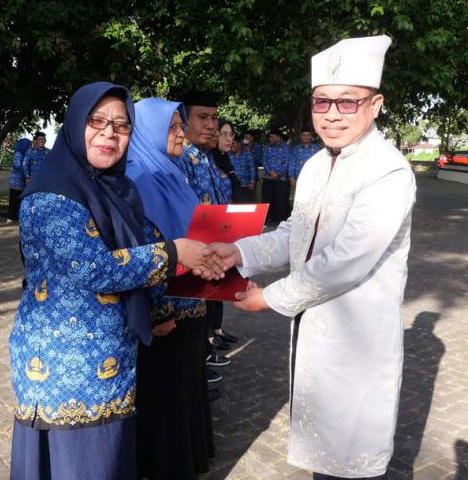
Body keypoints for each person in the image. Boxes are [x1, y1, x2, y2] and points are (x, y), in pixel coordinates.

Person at [208, 35, 416, 479]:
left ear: (376, 105)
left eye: (348, 101)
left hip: (358, 335)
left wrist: (270, 297)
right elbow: (295, 233)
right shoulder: (317, 165)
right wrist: (239, 251)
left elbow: (347, 260)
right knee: (324, 452)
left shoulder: (388, 171)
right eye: (322, 101)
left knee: (351, 454)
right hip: (315, 327)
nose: (333, 114)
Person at [8, 82, 221, 480]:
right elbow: (94, 268)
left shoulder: (115, 188)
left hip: (115, 361)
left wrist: (162, 303)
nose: (109, 133)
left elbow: (142, 244)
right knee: (83, 466)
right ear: (75, 124)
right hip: (65, 368)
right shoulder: (51, 195)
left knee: (113, 461)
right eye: (97, 121)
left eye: (121, 125)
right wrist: (174, 254)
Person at [126, 97, 215, 480]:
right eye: (172, 127)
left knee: (186, 390)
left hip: (191, 300)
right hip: (165, 316)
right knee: (165, 399)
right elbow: (142, 248)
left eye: (181, 125)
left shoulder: (171, 173)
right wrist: (156, 312)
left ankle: (187, 461)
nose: (181, 134)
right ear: (148, 132)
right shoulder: (138, 180)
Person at [175, 90, 231, 386]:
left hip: (213, 250)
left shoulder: (206, 157)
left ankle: (203, 361)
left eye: (214, 118)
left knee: (204, 316)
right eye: (202, 117)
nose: (211, 125)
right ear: (183, 121)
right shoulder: (180, 158)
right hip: (191, 255)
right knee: (191, 321)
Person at [261, 128, 293, 225]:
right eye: (270, 137)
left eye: (272, 137)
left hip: (281, 179)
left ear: (278, 137)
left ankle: (280, 221)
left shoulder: (286, 148)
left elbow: (287, 162)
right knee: (267, 199)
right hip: (268, 177)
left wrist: (278, 173)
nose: (270, 139)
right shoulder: (267, 147)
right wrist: (270, 172)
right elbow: (264, 160)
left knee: (281, 200)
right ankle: (267, 220)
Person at [7, 138, 31, 223]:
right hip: (16, 181)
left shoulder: (24, 154)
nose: (29, 147)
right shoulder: (18, 154)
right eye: (28, 145)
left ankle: (16, 217)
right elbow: (17, 166)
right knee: (14, 199)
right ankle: (11, 217)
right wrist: (26, 170)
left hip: (21, 181)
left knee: (19, 200)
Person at [229, 135, 256, 203]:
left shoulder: (247, 154)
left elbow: (252, 169)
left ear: (239, 143)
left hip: (246, 186)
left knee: (246, 206)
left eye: (233, 143)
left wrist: (252, 182)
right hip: (232, 187)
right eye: (230, 143)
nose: (231, 145)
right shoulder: (228, 155)